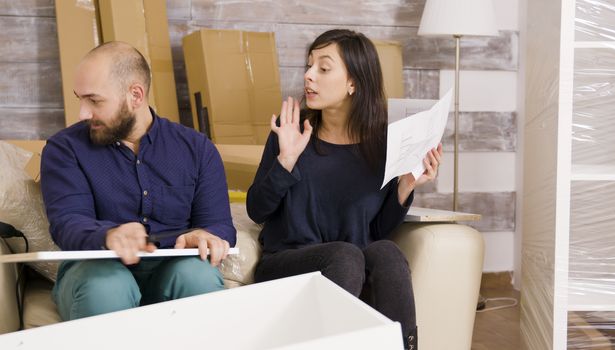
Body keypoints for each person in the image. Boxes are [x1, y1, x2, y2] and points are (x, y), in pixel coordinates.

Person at [246, 29, 442, 350]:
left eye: (323, 69)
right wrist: (286, 161)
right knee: (346, 255)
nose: (309, 76)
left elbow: (376, 229)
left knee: (386, 252)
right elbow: (257, 210)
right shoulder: (292, 132)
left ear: (354, 83)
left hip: (351, 266)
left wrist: (406, 184)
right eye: (309, 66)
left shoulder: (381, 146)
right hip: (287, 261)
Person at [41, 41, 235, 321]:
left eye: (94, 101)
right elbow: (67, 222)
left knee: (198, 276)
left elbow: (220, 225)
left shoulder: (197, 149)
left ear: (135, 95)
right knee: (107, 287)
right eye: (79, 99)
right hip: (95, 268)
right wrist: (108, 235)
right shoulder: (64, 148)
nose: (82, 113)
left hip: (171, 267)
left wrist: (206, 235)